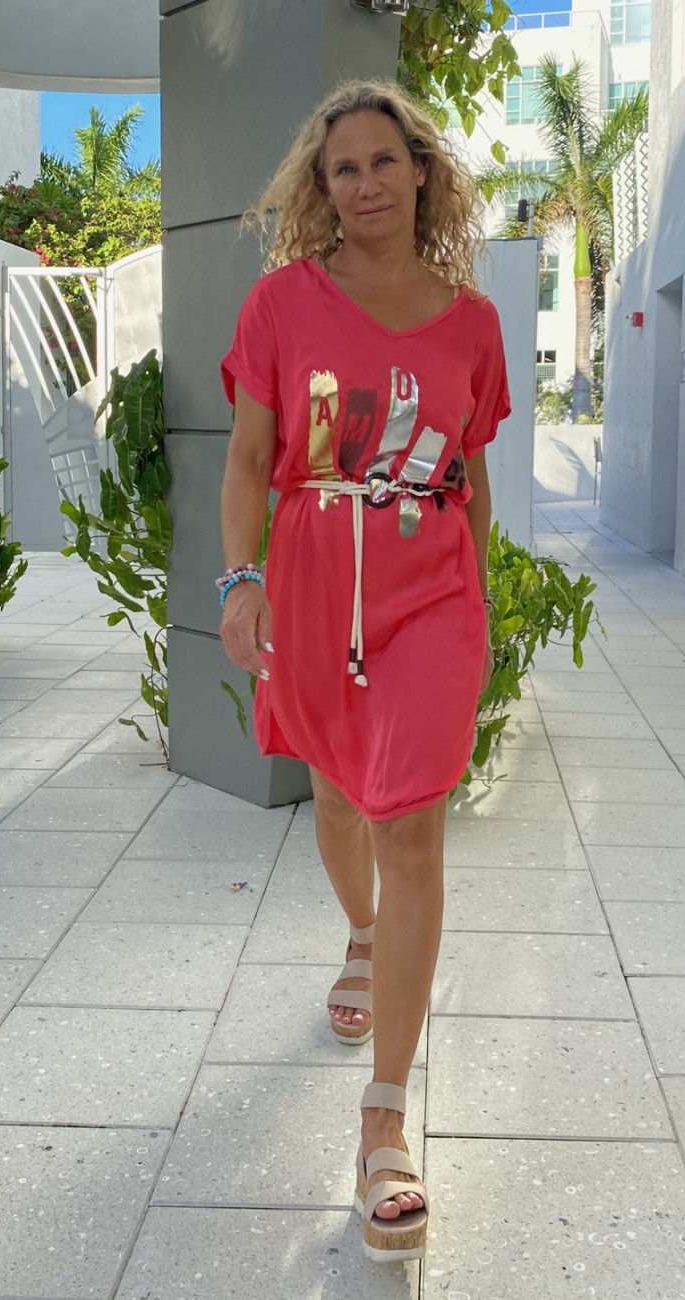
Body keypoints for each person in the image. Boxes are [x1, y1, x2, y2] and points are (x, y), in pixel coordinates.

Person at [218, 79, 510, 1263]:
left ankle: (384, 1123)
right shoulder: (280, 304)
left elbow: (471, 479)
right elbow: (250, 458)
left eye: (385, 159)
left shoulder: (473, 323)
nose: (367, 181)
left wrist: (475, 603)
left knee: (412, 828)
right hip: (310, 588)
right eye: (343, 166)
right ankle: (359, 933)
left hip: (430, 595)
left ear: (421, 170)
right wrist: (239, 581)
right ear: (321, 186)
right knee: (338, 801)